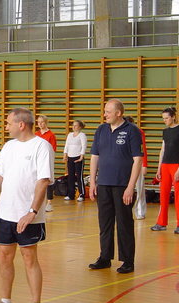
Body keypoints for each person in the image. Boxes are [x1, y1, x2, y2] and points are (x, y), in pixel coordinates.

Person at [0, 108, 54, 303]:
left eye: (8, 123)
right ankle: (5, 302)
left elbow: (43, 181)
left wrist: (31, 212)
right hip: (6, 213)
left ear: (21, 124)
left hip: (28, 216)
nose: (6, 126)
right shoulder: (8, 146)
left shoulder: (42, 146)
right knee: (4, 255)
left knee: (29, 257)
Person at [88, 99, 142, 274]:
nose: (105, 114)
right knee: (105, 223)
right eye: (105, 111)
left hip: (122, 186)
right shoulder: (101, 130)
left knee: (124, 223)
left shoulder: (132, 131)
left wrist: (130, 186)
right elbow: (94, 156)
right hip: (103, 183)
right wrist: (93, 182)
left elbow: (137, 160)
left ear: (118, 113)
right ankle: (105, 257)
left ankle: (128, 260)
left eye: (108, 112)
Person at [151, 107, 179, 234]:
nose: (165, 120)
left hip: (176, 165)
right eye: (163, 118)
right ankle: (161, 223)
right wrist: (159, 168)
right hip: (165, 166)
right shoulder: (165, 132)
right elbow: (163, 150)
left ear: (173, 117)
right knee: (163, 195)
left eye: (166, 118)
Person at [124, 116, 148, 220]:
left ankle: (140, 211)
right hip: (125, 164)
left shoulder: (138, 132)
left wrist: (144, 165)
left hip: (137, 163)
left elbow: (143, 150)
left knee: (139, 188)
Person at [35, 115, 57, 212]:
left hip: (47, 160)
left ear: (46, 122)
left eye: (42, 122)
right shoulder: (36, 134)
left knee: (48, 180)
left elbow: (53, 149)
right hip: (37, 161)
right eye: (39, 122)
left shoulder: (51, 135)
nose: (40, 124)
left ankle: (49, 202)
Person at [63, 120, 87, 202]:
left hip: (78, 158)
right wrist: (65, 155)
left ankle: (82, 194)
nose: (74, 127)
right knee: (70, 177)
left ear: (80, 127)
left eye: (76, 125)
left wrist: (81, 156)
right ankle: (71, 194)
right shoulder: (70, 135)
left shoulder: (82, 135)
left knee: (79, 177)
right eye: (73, 125)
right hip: (70, 157)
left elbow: (84, 146)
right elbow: (67, 145)